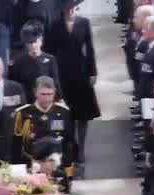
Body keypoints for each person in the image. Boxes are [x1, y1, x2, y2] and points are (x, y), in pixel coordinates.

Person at [44, 0, 100, 167]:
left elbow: (90, 48)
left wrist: (93, 72)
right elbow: (49, 49)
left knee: (83, 113)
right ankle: (70, 146)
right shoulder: (55, 24)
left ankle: (81, 148)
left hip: (81, 70)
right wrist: (50, 74)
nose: (70, 12)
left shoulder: (84, 22)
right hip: (62, 70)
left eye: (72, 8)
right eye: (67, 9)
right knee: (65, 112)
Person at [11, 76, 75, 174]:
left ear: (54, 92)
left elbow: (68, 143)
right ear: (35, 92)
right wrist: (16, 172)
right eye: (43, 94)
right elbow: (16, 146)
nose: (46, 98)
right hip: (31, 167)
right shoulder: (22, 113)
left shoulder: (63, 112)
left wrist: (69, 173)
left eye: (49, 94)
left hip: (57, 167)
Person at [9, 22, 61, 104]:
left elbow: (56, 82)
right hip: (26, 102)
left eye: (35, 41)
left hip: (46, 100)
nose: (33, 45)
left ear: (41, 40)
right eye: (30, 42)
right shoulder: (19, 61)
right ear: (26, 44)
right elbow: (16, 84)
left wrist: (59, 99)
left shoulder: (50, 59)